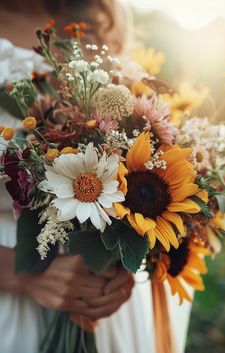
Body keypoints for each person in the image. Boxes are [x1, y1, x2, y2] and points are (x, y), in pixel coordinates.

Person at [0, 1, 192, 353]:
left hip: (102, 298)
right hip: (11, 295)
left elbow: (130, 158)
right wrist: (22, 276)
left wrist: (123, 262)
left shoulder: (98, 17)